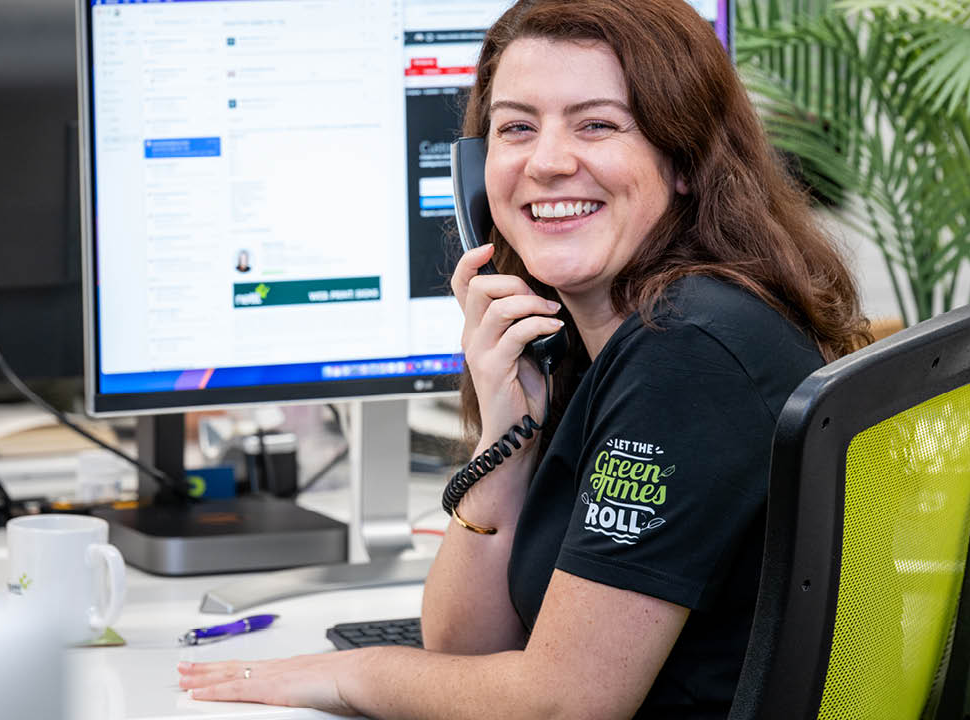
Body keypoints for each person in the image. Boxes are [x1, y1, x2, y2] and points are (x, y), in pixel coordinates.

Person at [177, 0, 869, 717]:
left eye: (596, 124)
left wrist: (353, 673)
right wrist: (505, 436)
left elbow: (561, 705)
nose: (547, 162)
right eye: (516, 128)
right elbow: (464, 652)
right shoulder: (600, 345)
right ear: (477, 172)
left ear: (685, 161)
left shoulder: (687, 351)